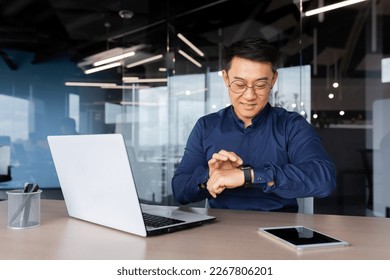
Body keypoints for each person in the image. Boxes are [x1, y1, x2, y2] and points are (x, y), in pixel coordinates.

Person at [171, 37, 336, 212]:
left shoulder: (292, 125)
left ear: (273, 80)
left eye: (260, 84)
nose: (249, 95)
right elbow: (179, 191)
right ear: (226, 78)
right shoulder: (206, 126)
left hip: (279, 232)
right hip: (219, 231)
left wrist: (248, 175)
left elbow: (324, 179)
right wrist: (211, 175)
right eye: (240, 84)